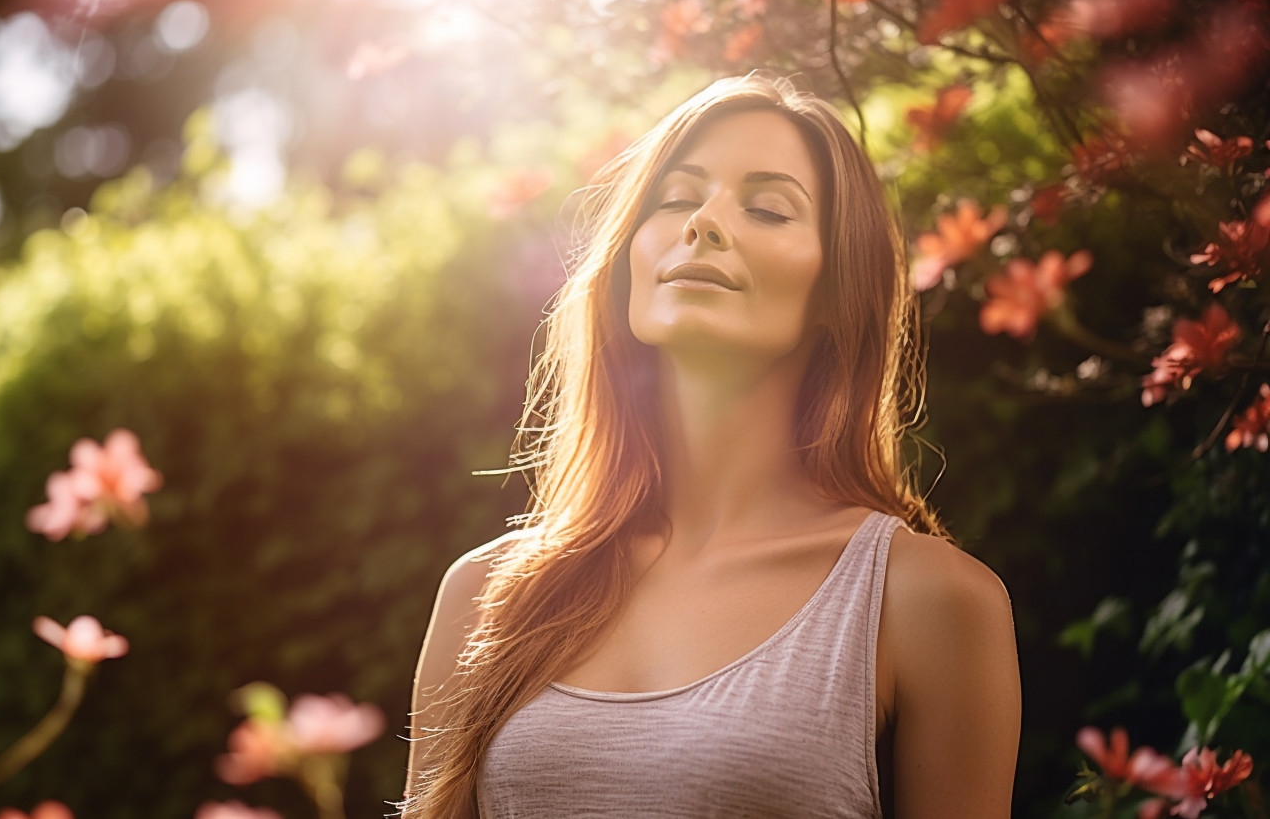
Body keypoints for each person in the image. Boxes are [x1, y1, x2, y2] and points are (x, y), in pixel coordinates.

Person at [399, 72, 1021, 818]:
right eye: (675, 197)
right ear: (631, 258)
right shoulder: (487, 595)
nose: (704, 221)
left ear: (836, 290)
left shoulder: (927, 601)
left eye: (767, 207)